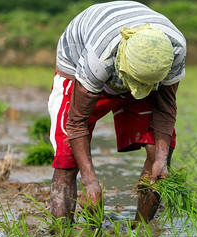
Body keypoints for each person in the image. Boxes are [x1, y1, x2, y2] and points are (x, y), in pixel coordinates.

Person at [47, 1, 186, 225]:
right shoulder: (98, 57)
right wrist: (90, 180)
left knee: (161, 152)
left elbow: (165, 108)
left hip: (143, 68)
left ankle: (142, 232)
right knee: (67, 159)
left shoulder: (174, 50)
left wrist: (160, 160)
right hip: (79, 68)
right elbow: (76, 122)